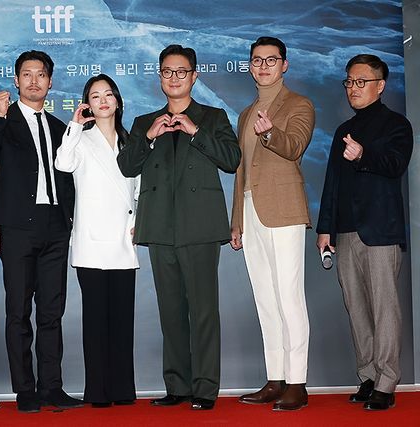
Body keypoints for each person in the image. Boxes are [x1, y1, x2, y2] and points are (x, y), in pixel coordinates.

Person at [117, 44, 240, 410]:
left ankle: (205, 388)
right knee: (170, 312)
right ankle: (177, 386)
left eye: (181, 71)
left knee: (203, 311)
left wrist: (195, 131)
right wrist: (149, 137)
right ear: (160, 76)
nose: (174, 78)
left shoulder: (213, 117)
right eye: (167, 72)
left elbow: (232, 160)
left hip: (199, 227)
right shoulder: (145, 122)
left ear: (194, 76)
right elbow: (127, 166)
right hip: (160, 227)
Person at [0, 50, 81, 413]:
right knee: (18, 312)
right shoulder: (3, 121)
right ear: (16, 80)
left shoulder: (59, 127)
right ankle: (25, 389)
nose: (34, 81)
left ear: (50, 82)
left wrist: (69, 220)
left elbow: (68, 178)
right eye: (27, 74)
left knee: (51, 312)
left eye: (41, 75)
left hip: (55, 225)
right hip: (18, 227)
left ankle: (52, 386)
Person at [316, 54, 413, 411]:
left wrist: (362, 156)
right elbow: (332, 183)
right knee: (356, 307)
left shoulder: (397, 125)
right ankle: (368, 376)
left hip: (380, 231)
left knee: (385, 308)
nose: (353, 88)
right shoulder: (344, 129)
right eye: (349, 82)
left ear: (380, 85)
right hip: (345, 231)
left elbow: (395, 165)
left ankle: (387, 381)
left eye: (361, 82)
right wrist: (325, 228)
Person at [230, 36, 314, 411]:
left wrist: (269, 133)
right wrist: (237, 220)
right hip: (251, 211)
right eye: (257, 60)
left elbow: (294, 146)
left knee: (289, 297)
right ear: (250, 66)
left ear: (284, 65)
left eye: (271, 60)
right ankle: (275, 378)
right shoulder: (245, 114)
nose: (263, 66)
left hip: (283, 209)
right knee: (265, 299)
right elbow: (240, 172)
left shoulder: (299, 104)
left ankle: (297, 382)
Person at [54, 74, 139, 408]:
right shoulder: (80, 138)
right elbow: (63, 163)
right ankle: (98, 391)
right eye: (95, 96)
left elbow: (139, 188)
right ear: (87, 103)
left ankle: (122, 389)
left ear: (117, 100)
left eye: (108, 94)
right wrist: (74, 127)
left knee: (122, 320)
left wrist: (138, 222)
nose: (103, 101)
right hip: (91, 240)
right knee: (95, 320)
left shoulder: (131, 141)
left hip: (123, 238)